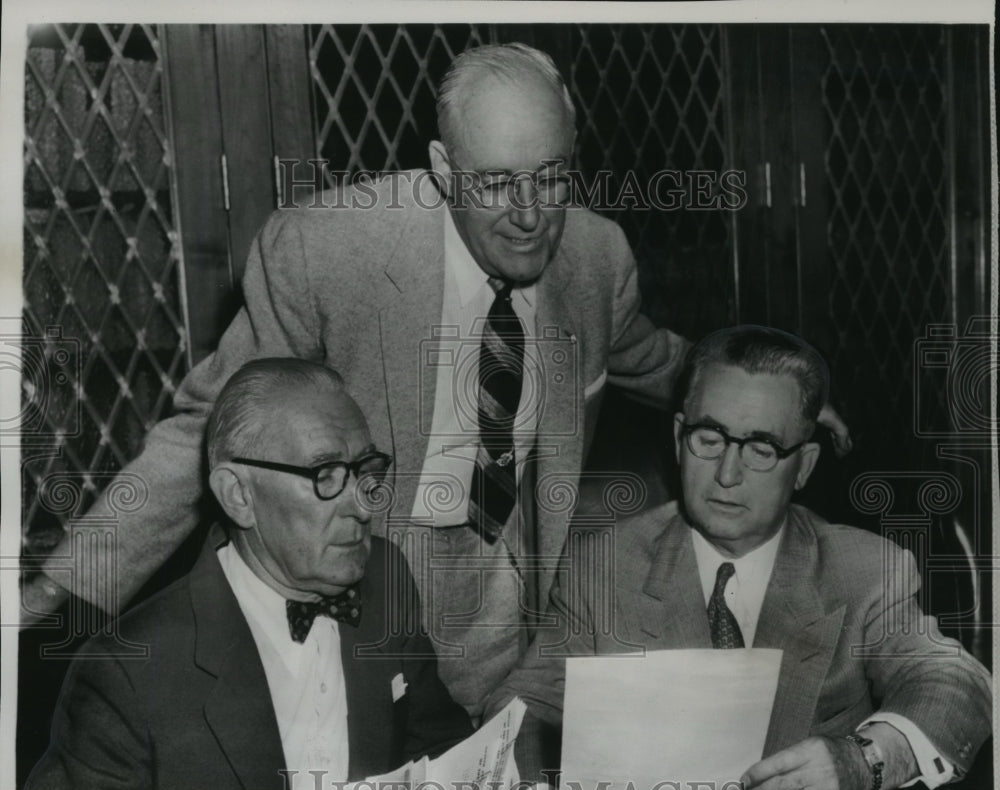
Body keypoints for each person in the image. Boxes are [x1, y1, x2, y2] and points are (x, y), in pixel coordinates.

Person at [22, 43, 849, 720]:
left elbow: (652, 356)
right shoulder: (327, 251)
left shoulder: (596, 257)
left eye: (552, 176)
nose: (531, 215)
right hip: (359, 585)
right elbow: (209, 430)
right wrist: (66, 581)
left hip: (511, 599)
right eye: (496, 183)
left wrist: (787, 401)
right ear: (444, 168)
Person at [489, 325, 991, 790]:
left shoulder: (862, 571)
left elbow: (957, 682)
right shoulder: (602, 566)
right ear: (679, 440)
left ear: (803, 467)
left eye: (761, 449)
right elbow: (526, 705)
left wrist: (864, 763)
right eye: (709, 438)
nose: (727, 473)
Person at [17, 360, 476, 790]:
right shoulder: (126, 669)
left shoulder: (386, 578)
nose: (364, 505)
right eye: (326, 475)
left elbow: (439, 747)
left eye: (367, 471)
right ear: (238, 496)